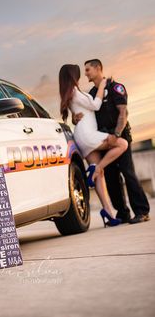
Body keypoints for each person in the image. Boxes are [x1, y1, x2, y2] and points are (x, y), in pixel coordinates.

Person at [73, 59, 150, 224]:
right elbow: (85, 113)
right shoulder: (92, 94)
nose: (85, 73)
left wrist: (117, 133)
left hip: (119, 138)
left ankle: (142, 211)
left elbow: (123, 113)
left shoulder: (116, 87)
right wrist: (74, 117)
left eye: (87, 69)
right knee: (111, 178)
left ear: (98, 68)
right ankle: (122, 213)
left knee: (128, 173)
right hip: (102, 141)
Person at [59, 64, 128, 227]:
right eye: (78, 73)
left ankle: (108, 213)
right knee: (122, 144)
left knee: (100, 174)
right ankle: (95, 170)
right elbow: (96, 105)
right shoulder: (75, 92)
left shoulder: (69, 94)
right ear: (72, 75)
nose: (82, 74)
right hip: (88, 135)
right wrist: (103, 85)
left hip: (82, 137)